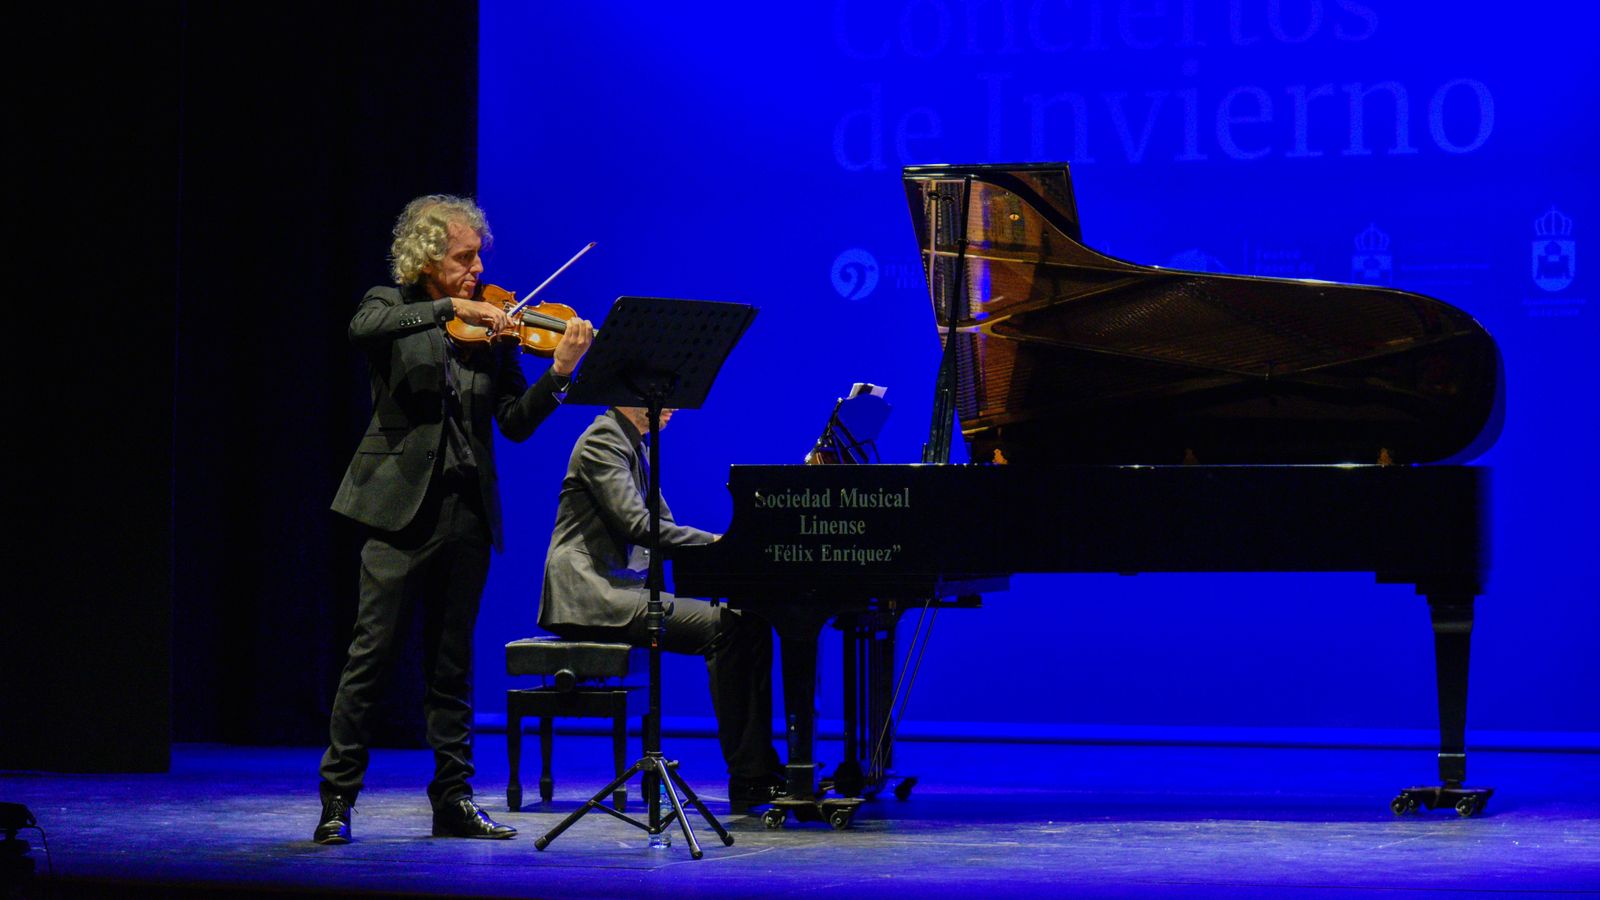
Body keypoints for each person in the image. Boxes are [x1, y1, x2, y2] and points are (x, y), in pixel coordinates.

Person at [316, 195, 594, 844]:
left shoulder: (493, 333)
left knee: (451, 667)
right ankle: (337, 798)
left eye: (478, 259)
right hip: (396, 512)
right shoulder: (389, 304)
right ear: (429, 258)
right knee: (371, 658)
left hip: (465, 511)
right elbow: (363, 329)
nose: (476, 271)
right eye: (464, 259)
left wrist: (556, 375)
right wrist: (449, 310)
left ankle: (454, 798)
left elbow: (515, 425)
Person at [537, 406, 786, 807]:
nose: (671, 405)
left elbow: (663, 526)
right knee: (728, 628)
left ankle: (760, 767)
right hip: (591, 594)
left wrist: (728, 548)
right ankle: (749, 775)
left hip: (619, 590)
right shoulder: (604, 440)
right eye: (662, 396)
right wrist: (722, 545)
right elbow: (638, 525)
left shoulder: (637, 447)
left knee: (750, 621)